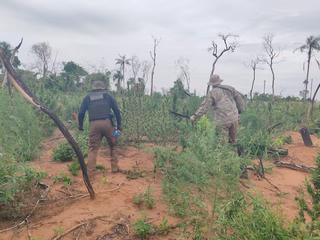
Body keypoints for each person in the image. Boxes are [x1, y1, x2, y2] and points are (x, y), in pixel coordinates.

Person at [78, 80, 122, 182]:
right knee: (113, 144)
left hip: (94, 125)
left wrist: (80, 125)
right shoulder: (107, 95)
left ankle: (91, 176)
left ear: (93, 88)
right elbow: (116, 110)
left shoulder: (87, 97)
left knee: (93, 149)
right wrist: (119, 125)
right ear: (103, 88)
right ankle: (115, 168)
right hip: (107, 123)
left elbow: (81, 113)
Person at [190, 74, 244, 144]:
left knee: (221, 144)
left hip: (222, 121)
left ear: (211, 84)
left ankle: (224, 154)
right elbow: (239, 100)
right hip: (234, 118)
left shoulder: (212, 93)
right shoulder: (230, 88)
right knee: (232, 141)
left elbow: (205, 107)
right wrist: (239, 112)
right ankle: (234, 153)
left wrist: (195, 116)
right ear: (219, 81)